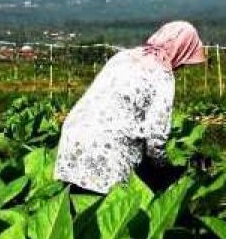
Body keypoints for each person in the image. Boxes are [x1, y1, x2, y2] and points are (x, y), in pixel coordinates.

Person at [54, 21, 207, 194]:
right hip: (108, 149)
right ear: (181, 50)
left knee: (77, 207)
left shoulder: (123, 56)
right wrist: (163, 169)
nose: (182, 67)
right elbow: (156, 135)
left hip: (73, 136)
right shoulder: (161, 74)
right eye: (185, 61)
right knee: (108, 210)